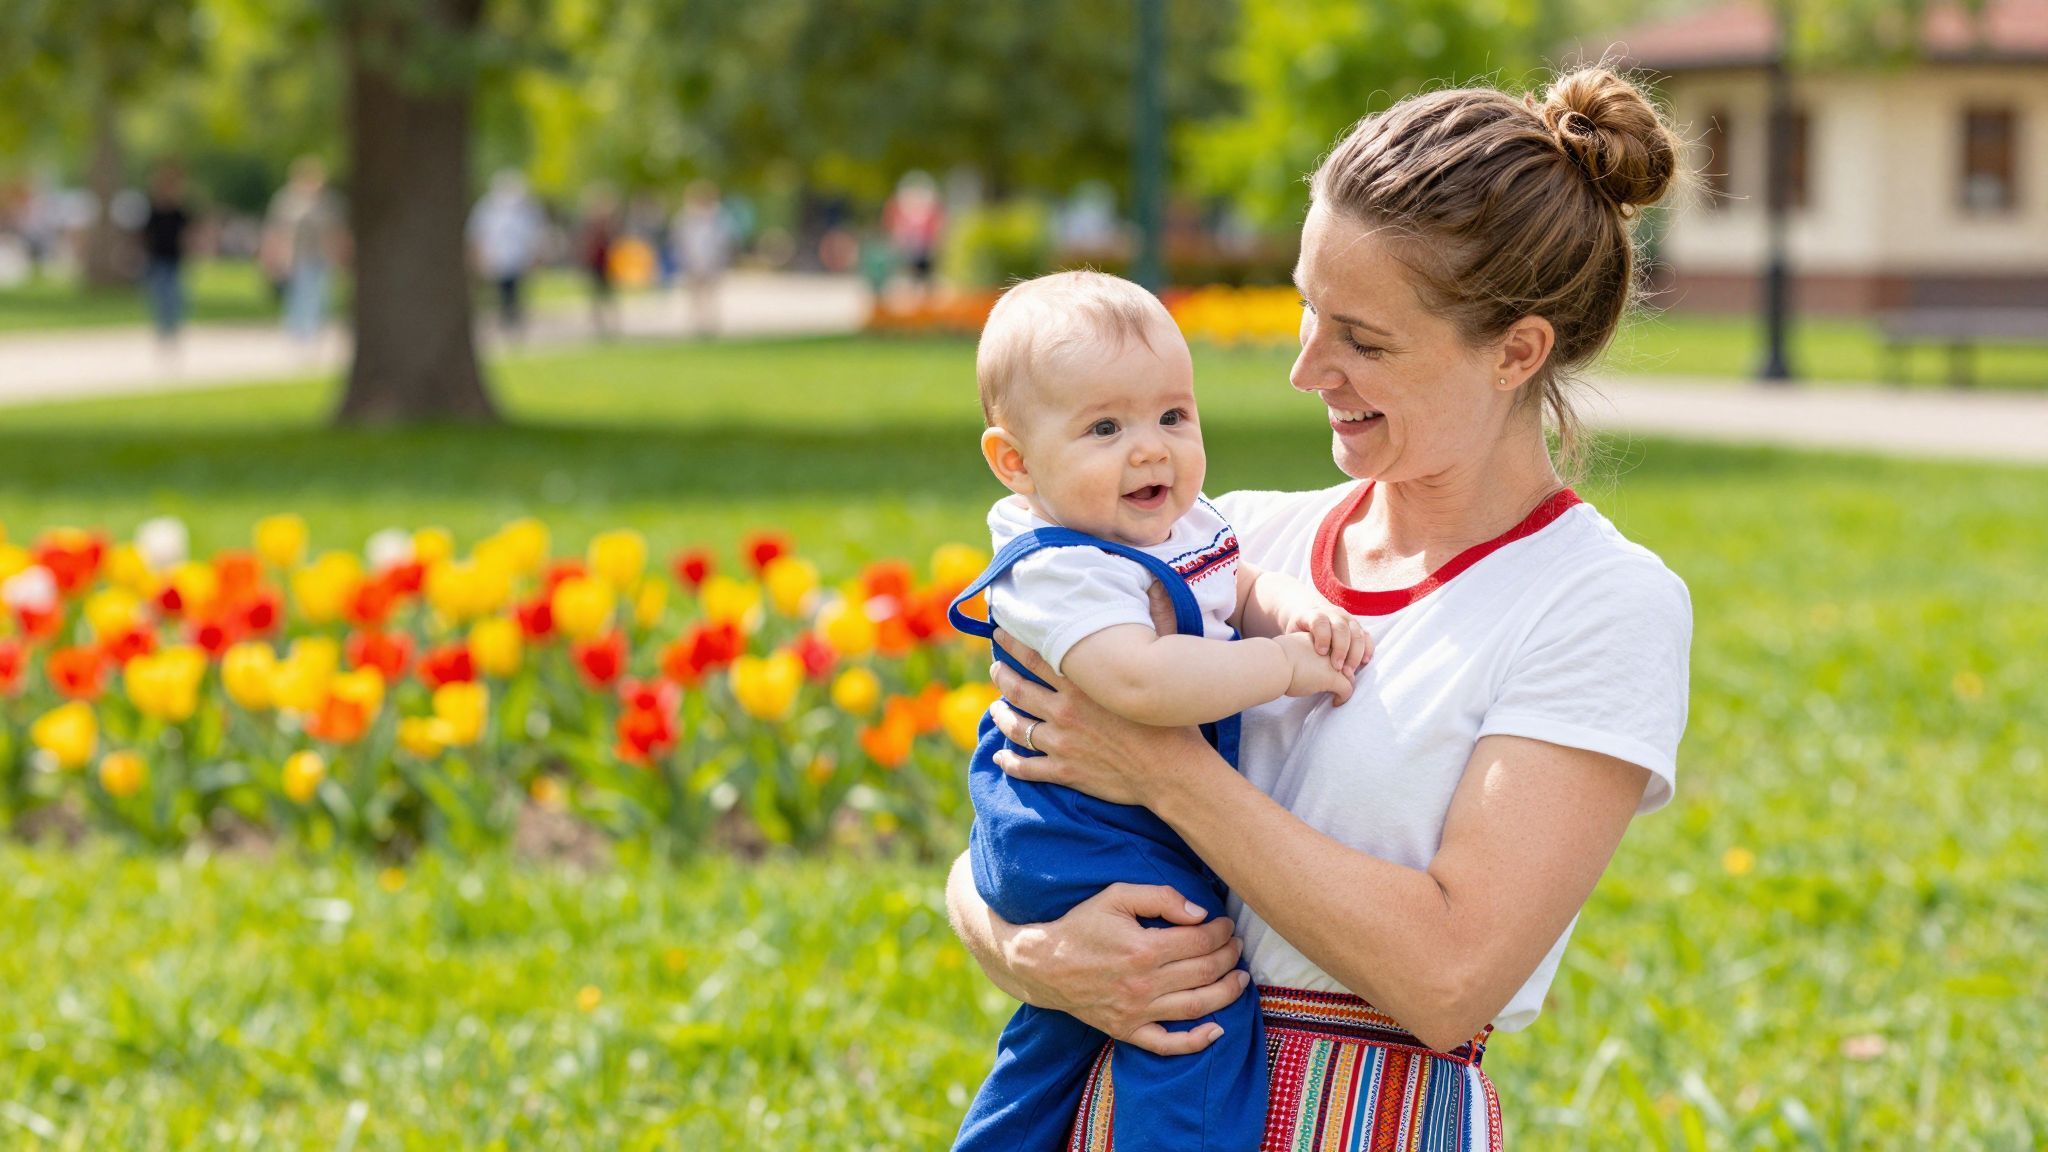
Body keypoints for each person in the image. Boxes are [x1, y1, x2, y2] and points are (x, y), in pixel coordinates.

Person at [945, 64, 1693, 1150]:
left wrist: (1160, 766)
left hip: (1364, 1119)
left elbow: (1448, 980)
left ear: (1515, 353)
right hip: (1111, 1095)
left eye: (1362, 339)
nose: (1304, 368)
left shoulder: (1594, 602)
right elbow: (1008, 815)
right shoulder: (1223, 542)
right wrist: (1024, 952)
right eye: (1306, 309)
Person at [948, 271, 1370, 1152]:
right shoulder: (1062, 565)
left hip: (1106, 823)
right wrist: (1282, 663)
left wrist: (1288, 606)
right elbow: (1140, 684)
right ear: (1016, 461)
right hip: (1076, 832)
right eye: (1105, 428)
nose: (1151, 451)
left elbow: (1234, 579)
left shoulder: (1170, 526)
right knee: (1192, 1009)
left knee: (1055, 1038)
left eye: (1173, 417)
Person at [262, 157, 344, 345]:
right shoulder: (287, 201)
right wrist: (272, 257)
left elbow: (336, 232)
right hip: (296, 257)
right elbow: (276, 231)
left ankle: (313, 332)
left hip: (321, 256)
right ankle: (299, 332)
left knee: (319, 295)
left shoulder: (329, 203)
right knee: (299, 295)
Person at [469, 169, 547, 337]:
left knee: (516, 292)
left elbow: (535, 235)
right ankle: (507, 320)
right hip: (499, 259)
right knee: (503, 292)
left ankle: (514, 321)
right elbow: (479, 235)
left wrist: (535, 257)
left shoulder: (526, 210)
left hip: (518, 259)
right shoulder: (487, 209)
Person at [139, 162, 194, 351]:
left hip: (174, 259)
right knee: (160, 296)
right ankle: (163, 330)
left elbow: (190, 232)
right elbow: (144, 235)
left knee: (175, 297)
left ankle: (173, 330)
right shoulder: (153, 211)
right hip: (157, 259)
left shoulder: (179, 211)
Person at [671, 180, 733, 337]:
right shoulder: (685, 218)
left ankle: (710, 326)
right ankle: (698, 326)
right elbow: (679, 242)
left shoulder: (719, 218)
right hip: (692, 263)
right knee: (695, 297)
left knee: (710, 296)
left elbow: (724, 242)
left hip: (712, 263)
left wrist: (717, 260)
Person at [576, 184, 621, 339]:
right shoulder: (590, 224)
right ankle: (599, 325)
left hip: (607, 263)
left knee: (607, 295)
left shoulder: (608, 224)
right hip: (595, 263)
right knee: (596, 295)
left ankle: (610, 325)